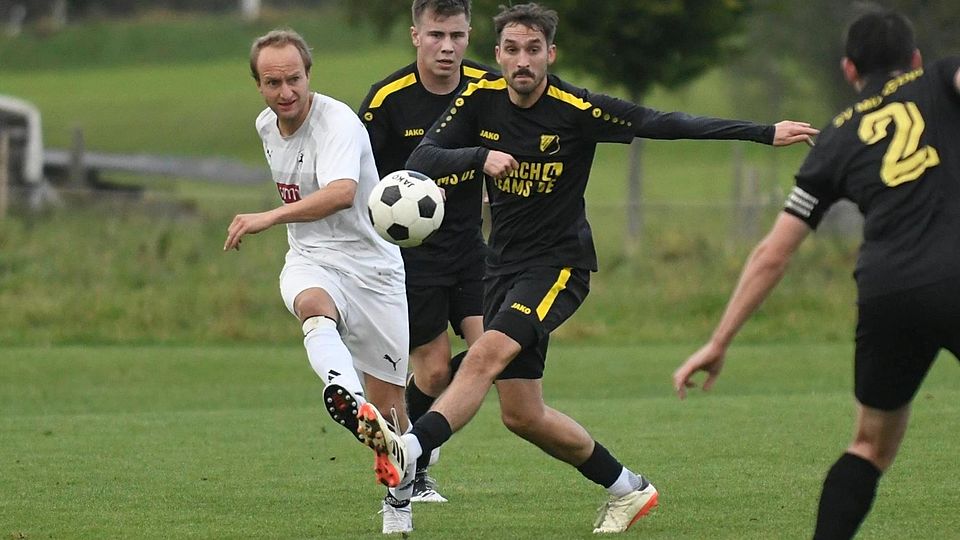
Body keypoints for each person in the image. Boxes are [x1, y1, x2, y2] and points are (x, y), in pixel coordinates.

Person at [354, 2, 819, 534]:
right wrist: (477, 158)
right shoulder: (477, 100)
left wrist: (762, 132)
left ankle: (410, 451)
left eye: (533, 49)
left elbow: (660, 122)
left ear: (550, 54)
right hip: (502, 267)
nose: (522, 60)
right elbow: (423, 158)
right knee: (523, 416)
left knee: (481, 355)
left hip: (557, 269)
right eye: (512, 49)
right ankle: (629, 489)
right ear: (498, 54)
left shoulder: (576, 107)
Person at [673, 8, 960, 539]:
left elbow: (773, 254)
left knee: (870, 447)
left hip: (887, 292)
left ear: (850, 70)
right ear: (914, 60)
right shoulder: (941, 80)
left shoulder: (834, 139)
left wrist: (718, 341)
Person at [224, 29, 415, 535]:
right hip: (312, 257)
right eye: (272, 82)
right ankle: (344, 393)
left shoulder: (339, 124)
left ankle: (400, 497)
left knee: (394, 410)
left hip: (373, 269)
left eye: (293, 80)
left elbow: (340, 194)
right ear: (258, 84)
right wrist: (286, 226)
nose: (285, 92)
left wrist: (268, 217)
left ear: (309, 74)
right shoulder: (266, 126)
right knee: (312, 304)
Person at [357, 0, 495, 504]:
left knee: (496, 352)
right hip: (411, 257)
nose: (448, 47)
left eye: (457, 36)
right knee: (434, 372)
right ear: (416, 35)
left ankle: (416, 444)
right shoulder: (388, 99)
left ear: (470, 35)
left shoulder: (487, 86)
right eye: (436, 35)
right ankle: (416, 455)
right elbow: (356, 170)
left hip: (470, 247)